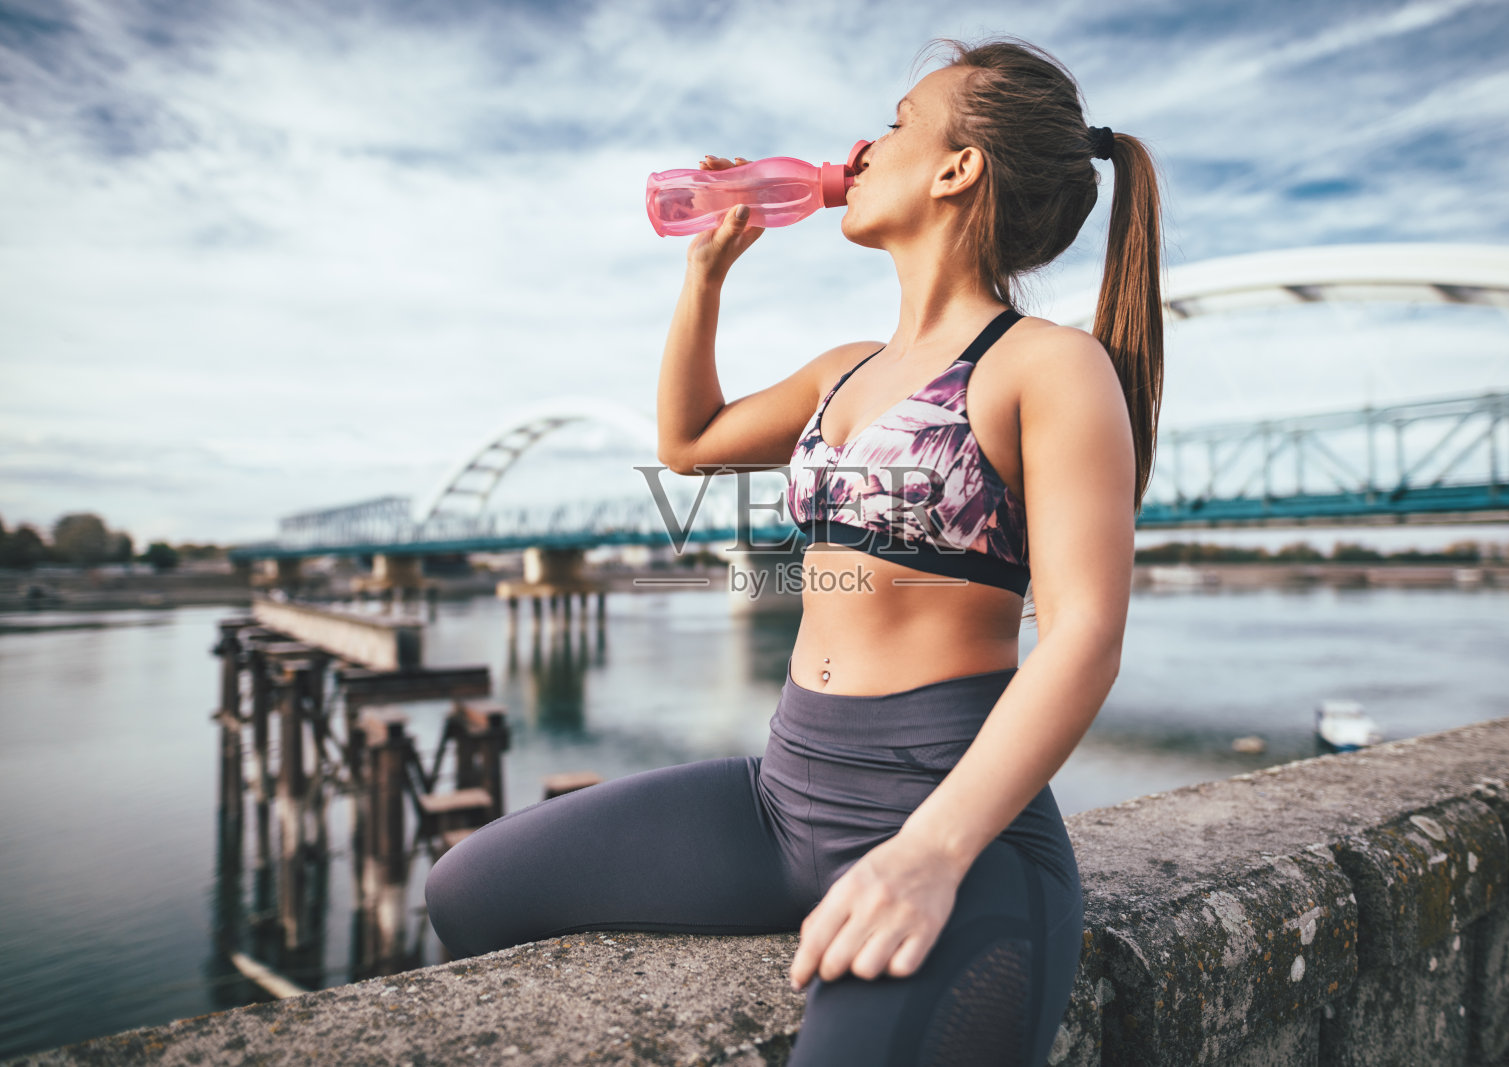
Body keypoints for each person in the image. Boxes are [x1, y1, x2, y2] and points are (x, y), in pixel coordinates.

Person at [425, 33, 1165, 1066]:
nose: (860, 145)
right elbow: (686, 444)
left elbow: (1085, 635)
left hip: (947, 815)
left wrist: (928, 853)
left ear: (959, 169)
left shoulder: (1046, 364)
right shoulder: (845, 368)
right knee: (466, 888)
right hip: (779, 796)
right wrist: (705, 277)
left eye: (901, 121)